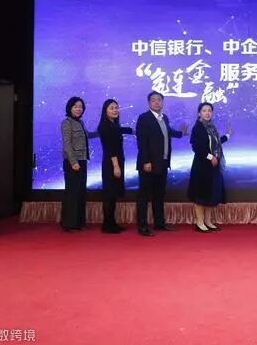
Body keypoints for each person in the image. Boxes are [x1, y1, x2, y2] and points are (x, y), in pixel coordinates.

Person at [135, 91, 187, 237]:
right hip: (148, 164)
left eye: (159, 100)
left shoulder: (164, 117)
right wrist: (146, 161)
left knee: (159, 194)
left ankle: (159, 223)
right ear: (149, 103)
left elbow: (167, 132)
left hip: (162, 163)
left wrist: (181, 133)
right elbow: (142, 141)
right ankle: (142, 226)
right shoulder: (144, 118)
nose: (157, 102)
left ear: (162, 102)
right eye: (153, 100)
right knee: (144, 196)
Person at [187, 102, 232, 233]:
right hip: (202, 166)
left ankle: (208, 221)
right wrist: (210, 157)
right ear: (199, 113)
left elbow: (216, 143)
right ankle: (199, 223)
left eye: (209, 111)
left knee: (211, 194)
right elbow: (196, 147)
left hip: (213, 167)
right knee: (201, 194)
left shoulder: (211, 128)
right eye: (204, 110)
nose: (207, 113)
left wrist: (227, 136)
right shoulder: (198, 127)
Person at [60, 96, 98, 232]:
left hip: (82, 160)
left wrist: (102, 131)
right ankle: (69, 224)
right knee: (72, 193)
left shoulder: (80, 122)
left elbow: (89, 135)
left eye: (80, 106)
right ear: (70, 108)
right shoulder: (67, 122)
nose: (78, 109)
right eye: (75, 106)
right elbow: (67, 145)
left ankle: (79, 222)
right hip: (72, 162)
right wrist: (73, 162)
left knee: (81, 192)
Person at [97, 99, 133, 234]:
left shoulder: (114, 125)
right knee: (109, 194)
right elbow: (110, 148)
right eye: (112, 108)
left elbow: (124, 130)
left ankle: (111, 222)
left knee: (113, 195)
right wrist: (116, 166)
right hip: (111, 163)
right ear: (105, 110)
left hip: (116, 161)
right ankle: (107, 224)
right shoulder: (105, 126)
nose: (115, 110)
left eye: (116, 108)